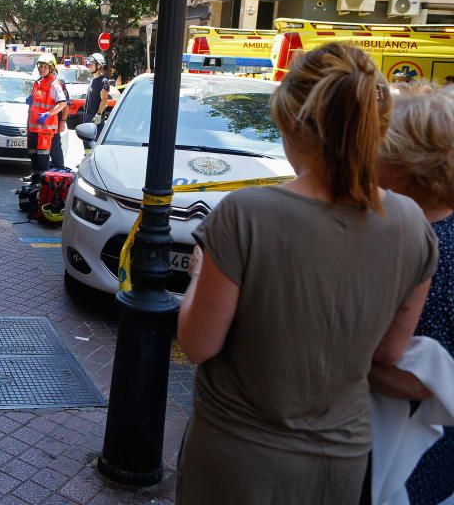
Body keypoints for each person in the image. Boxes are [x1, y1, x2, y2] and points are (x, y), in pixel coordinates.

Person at [175, 43, 438, 504]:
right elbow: (390, 352)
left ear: (293, 124)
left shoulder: (243, 216)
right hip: (340, 461)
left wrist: (199, 273)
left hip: (237, 458)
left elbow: (198, 344)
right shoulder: (412, 224)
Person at [375, 85, 454, 505]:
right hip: (438, 461)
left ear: (406, 167)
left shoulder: (409, 243)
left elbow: (411, 382)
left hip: (397, 460)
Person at [25, 53, 67, 180]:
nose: (42, 69)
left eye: (45, 66)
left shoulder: (54, 84)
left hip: (45, 129)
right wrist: (30, 99)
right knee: (33, 154)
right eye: (40, 66)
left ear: (51, 68)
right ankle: (35, 178)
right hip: (34, 127)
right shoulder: (38, 82)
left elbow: (63, 103)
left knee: (43, 157)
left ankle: (42, 184)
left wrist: (49, 114)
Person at [82, 53, 110, 150]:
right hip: (87, 116)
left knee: (94, 142)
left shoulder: (103, 81)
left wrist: (98, 114)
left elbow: (104, 100)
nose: (89, 65)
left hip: (95, 118)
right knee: (86, 141)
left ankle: (93, 161)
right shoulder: (93, 80)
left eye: (92, 63)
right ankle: (86, 158)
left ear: (99, 65)